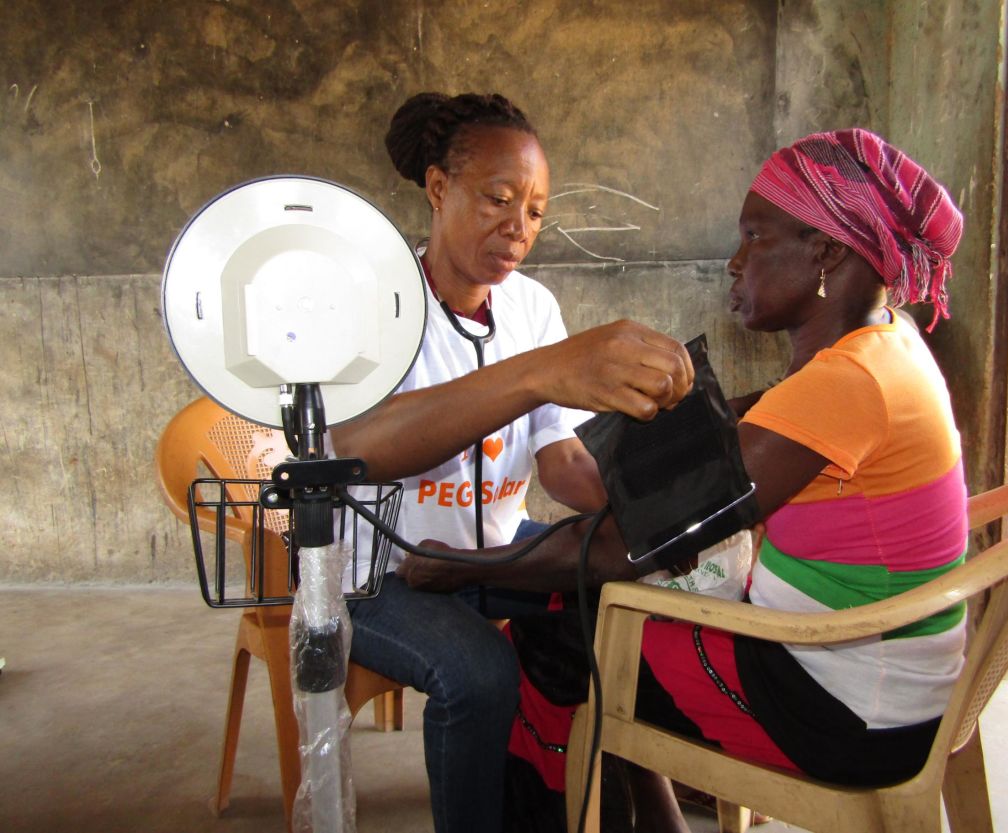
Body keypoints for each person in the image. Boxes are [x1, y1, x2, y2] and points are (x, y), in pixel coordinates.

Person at [396, 128, 970, 833]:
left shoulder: (846, 380)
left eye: (755, 237)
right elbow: (743, 428)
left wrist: (459, 568)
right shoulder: (886, 345)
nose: (734, 262)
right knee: (610, 621)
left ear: (825, 251)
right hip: (879, 685)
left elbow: (620, 545)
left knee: (559, 644)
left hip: (837, 709)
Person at [330, 91, 693, 833]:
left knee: (618, 597)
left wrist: (644, 498)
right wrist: (536, 373)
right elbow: (359, 447)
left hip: (494, 550)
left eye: (534, 211)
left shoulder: (531, 308)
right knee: (478, 674)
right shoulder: (372, 303)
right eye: (498, 198)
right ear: (438, 188)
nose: (517, 228)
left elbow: (559, 458)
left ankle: (630, 807)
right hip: (379, 575)